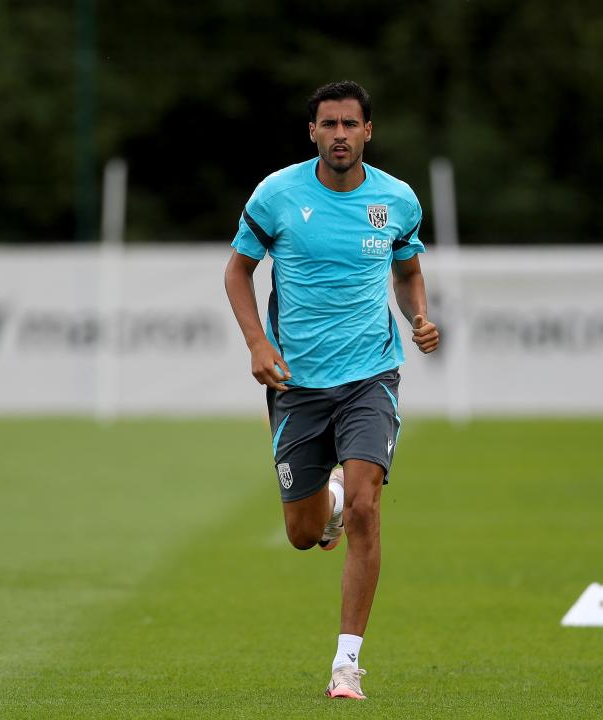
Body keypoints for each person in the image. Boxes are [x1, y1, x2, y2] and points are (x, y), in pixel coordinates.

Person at [223, 80, 439, 700]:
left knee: (370, 508)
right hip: (298, 384)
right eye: (329, 124)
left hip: (371, 374)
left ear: (368, 131)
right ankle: (331, 501)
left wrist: (418, 315)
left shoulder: (397, 200)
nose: (340, 133)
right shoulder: (278, 194)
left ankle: (347, 665)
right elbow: (238, 270)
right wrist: (257, 344)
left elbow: (408, 269)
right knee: (302, 533)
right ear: (312, 132)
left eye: (351, 123)